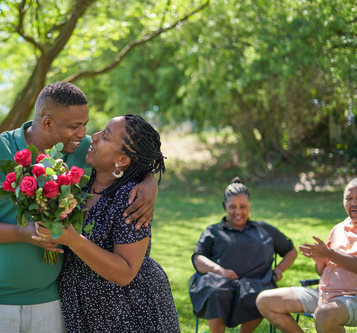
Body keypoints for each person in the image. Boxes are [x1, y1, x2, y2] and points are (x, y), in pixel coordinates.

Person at [0, 82, 159, 333]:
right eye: (75, 126)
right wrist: (23, 233)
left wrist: (149, 182)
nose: (83, 133)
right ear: (48, 123)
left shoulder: (83, 150)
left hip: (51, 302)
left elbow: (130, 159)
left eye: (85, 124)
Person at [33, 114, 180, 332]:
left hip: (131, 313)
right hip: (89, 312)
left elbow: (125, 272)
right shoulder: (84, 184)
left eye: (106, 136)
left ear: (122, 160)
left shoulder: (131, 199)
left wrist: (73, 240)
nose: (93, 136)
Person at [188, 177, 298, 333]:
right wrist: (220, 271)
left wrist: (279, 270)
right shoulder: (213, 231)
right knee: (215, 292)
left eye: (243, 206)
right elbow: (198, 258)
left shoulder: (264, 229)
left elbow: (291, 251)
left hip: (256, 283)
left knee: (259, 296)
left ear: (249, 206)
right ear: (224, 206)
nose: (238, 212)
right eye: (232, 207)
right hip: (220, 281)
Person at [256, 178, 357, 333]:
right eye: (349, 198)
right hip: (323, 294)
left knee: (324, 314)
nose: (354, 203)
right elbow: (321, 272)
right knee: (265, 301)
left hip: (352, 298)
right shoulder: (338, 229)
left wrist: (329, 253)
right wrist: (320, 260)